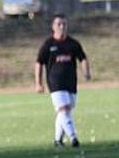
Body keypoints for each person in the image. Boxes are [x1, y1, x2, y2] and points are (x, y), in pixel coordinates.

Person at [34, 14, 91, 148]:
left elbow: (82, 58)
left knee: (66, 111)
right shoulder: (48, 45)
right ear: (53, 27)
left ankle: (58, 140)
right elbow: (39, 63)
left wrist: (86, 72)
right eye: (58, 24)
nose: (62, 26)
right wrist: (38, 83)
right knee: (63, 109)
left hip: (70, 82)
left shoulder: (73, 43)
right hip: (55, 82)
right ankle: (73, 137)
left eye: (64, 24)